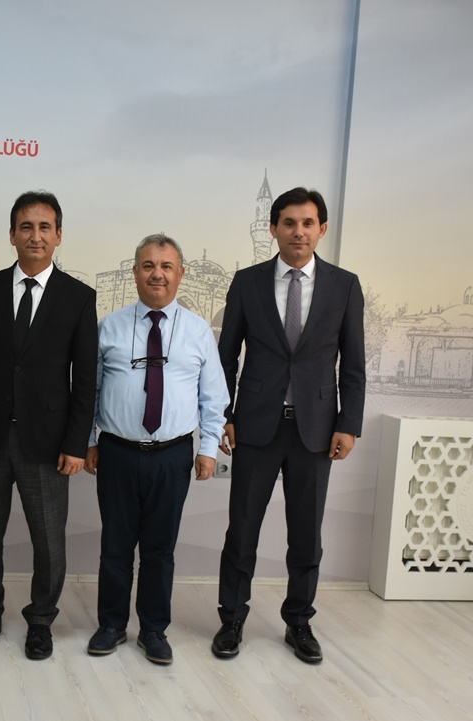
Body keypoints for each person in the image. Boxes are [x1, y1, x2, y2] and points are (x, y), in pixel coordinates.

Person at [212, 187, 365, 664]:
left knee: (306, 536)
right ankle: (231, 619)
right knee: (242, 531)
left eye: (308, 223)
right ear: (274, 228)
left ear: (322, 229)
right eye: (289, 223)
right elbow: (226, 357)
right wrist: (223, 416)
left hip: (315, 431)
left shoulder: (344, 285)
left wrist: (349, 423)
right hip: (255, 428)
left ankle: (299, 621)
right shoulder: (247, 282)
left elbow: (354, 364)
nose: (299, 231)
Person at [0, 190, 97, 661]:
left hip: (49, 442)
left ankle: (41, 621)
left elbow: (85, 380)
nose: (36, 236)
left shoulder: (79, 297)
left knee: (49, 540)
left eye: (45, 227)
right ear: (12, 234)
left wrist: (77, 443)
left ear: (59, 235)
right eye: (26, 227)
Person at [84, 234, 228, 664]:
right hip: (117, 452)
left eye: (166, 266)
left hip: (172, 455)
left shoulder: (198, 331)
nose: (157, 274)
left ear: (180, 273)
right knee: (115, 546)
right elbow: (89, 392)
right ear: (135, 272)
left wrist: (207, 448)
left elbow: (214, 397)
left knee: (160, 550)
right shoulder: (109, 327)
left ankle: (153, 629)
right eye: (148, 266)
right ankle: (111, 625)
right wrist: (89, 441)